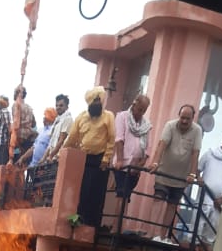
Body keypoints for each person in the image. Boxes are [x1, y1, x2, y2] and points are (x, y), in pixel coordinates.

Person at [147, 104, 203, 242]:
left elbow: (195, 153)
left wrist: (192, 174)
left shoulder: (197, 130)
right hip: (164, 172)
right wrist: (155, 163)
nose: (184, 121)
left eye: (187, 119)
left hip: (181, 177)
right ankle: (150, 233)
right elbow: (162, 145)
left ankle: (162, 235)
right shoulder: (170, 126)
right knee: (158, 199)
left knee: (172, 204)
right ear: (179, 116)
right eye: (182, 117)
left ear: (192, 118)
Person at [63, 87, 116, 228]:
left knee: (97, 194)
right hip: (83, 160)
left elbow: (111, 139)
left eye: (99, 100)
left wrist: (106, 159)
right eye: (94, 101)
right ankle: (78, 220)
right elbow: (72, 138)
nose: (97, 104)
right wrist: (60, 154)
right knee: (82, 191)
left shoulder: (108, 116)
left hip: (100, 161)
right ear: (89, 103)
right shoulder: (81, 117)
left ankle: (94, 226)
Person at [109, 94, 152, 226]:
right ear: (134, 105)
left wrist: (140, 164)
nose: (141, 113)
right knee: (122, 194)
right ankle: (116, 227)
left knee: (126, 196)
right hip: (123, 165)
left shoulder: (146, 125)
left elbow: (146, 148)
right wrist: (120, 160)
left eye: (144, 110)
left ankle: (119, 227)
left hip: (135, 167)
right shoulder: (122, 117)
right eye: (140, 109)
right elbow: (119, 139)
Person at [197, 131, 222, 243]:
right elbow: (197, 169)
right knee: (197, 231)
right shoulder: (210, 154)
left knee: (210, 236)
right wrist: (198, 178)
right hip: (203, 200)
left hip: (218, 204)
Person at [9, 85, 37, 164]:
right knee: (24, 164)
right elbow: (34, 124)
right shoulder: (29, 108)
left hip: (18, 140)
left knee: (15, 163)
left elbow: (16, 123)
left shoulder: (16, 105)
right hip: (28, 139)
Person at [42, 94, 73, 162]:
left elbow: (61, 140)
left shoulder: (68, 119)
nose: (58, 107)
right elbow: (51, 143)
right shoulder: (57, 121)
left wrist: (51, 156)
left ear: (67, 107)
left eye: (61, 105)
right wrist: (43, 159)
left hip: (58, 158)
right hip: (52, 158)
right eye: (57, 105)